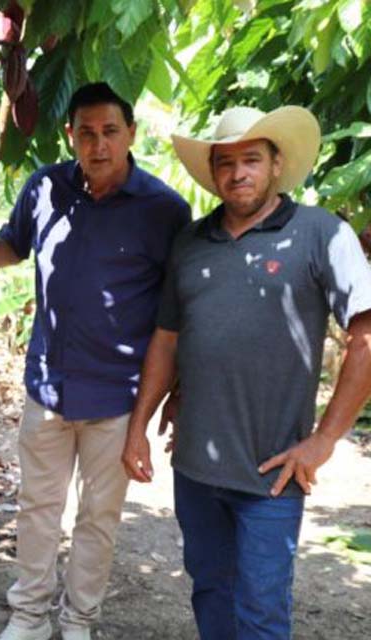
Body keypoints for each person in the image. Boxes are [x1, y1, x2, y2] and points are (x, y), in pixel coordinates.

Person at [122, 105, 371, 639]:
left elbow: (366, 338)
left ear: (277, 164)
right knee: (210, 590)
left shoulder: (321, 234)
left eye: (252, 159)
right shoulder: (190, 243)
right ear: (212, 171)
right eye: (226, 162)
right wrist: (138, 426)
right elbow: (167, 339)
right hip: (194, 467)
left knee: (260, 612)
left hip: (272, 472)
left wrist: (324, 441)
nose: (238, 173)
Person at [0, 82, 190, 640]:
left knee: (97, 518)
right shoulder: (45, 187)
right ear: (71, 136)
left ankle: (79, 621)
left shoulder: (165, 211)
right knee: (37, 508)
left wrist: (175, 392)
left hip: (116, 397)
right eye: (87, 133)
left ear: (131, 133)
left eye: (110, 131)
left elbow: (177, 315)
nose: (99, 144)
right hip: (47, 387)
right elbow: (14, 245)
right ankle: (29, 617)